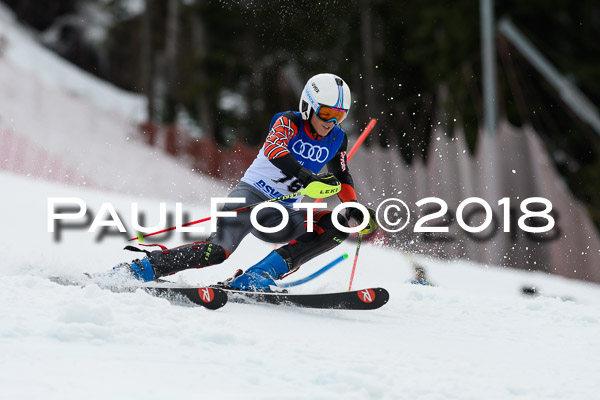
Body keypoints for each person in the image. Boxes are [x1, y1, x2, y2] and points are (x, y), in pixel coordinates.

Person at [113, 73, 376, 291]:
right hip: (250, 198)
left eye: (339, 116)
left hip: (282, 215)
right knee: (216, 252)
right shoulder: (288, 122)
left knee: (338, 225)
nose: (331, 122)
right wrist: (308, 179)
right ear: (308, 105)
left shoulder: (337, 139)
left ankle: (258, 276)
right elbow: (276, 151)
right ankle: (140, 268)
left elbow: (342, 175)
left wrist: (353, 208)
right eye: (327, 113)